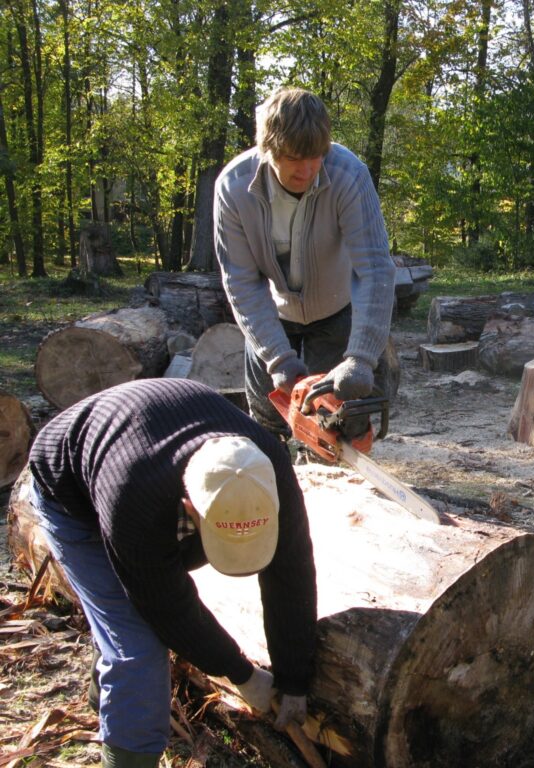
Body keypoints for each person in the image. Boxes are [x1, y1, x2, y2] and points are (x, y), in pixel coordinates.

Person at [28, 378, 318, 768]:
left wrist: (294, 678)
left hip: (147, 451)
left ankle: (108, 699)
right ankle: (128, 758)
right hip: (70, 492)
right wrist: (241, 674)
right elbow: (169, 609)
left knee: (127, 623)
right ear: (191, 508)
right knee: (138, 648)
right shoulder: (133, 497)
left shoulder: (268, 471)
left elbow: (292, 572)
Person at [213, 86, 396, 434]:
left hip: (336, 309)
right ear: (268, 149)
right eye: (295, 158)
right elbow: (241, 280)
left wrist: (361, 357)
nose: (308, 169)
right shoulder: (233, 188)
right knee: (266, 430)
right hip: (271, 315)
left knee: (338, 428)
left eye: (316, 156)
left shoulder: (348, 175)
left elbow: (375, 269)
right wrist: (277, 357)